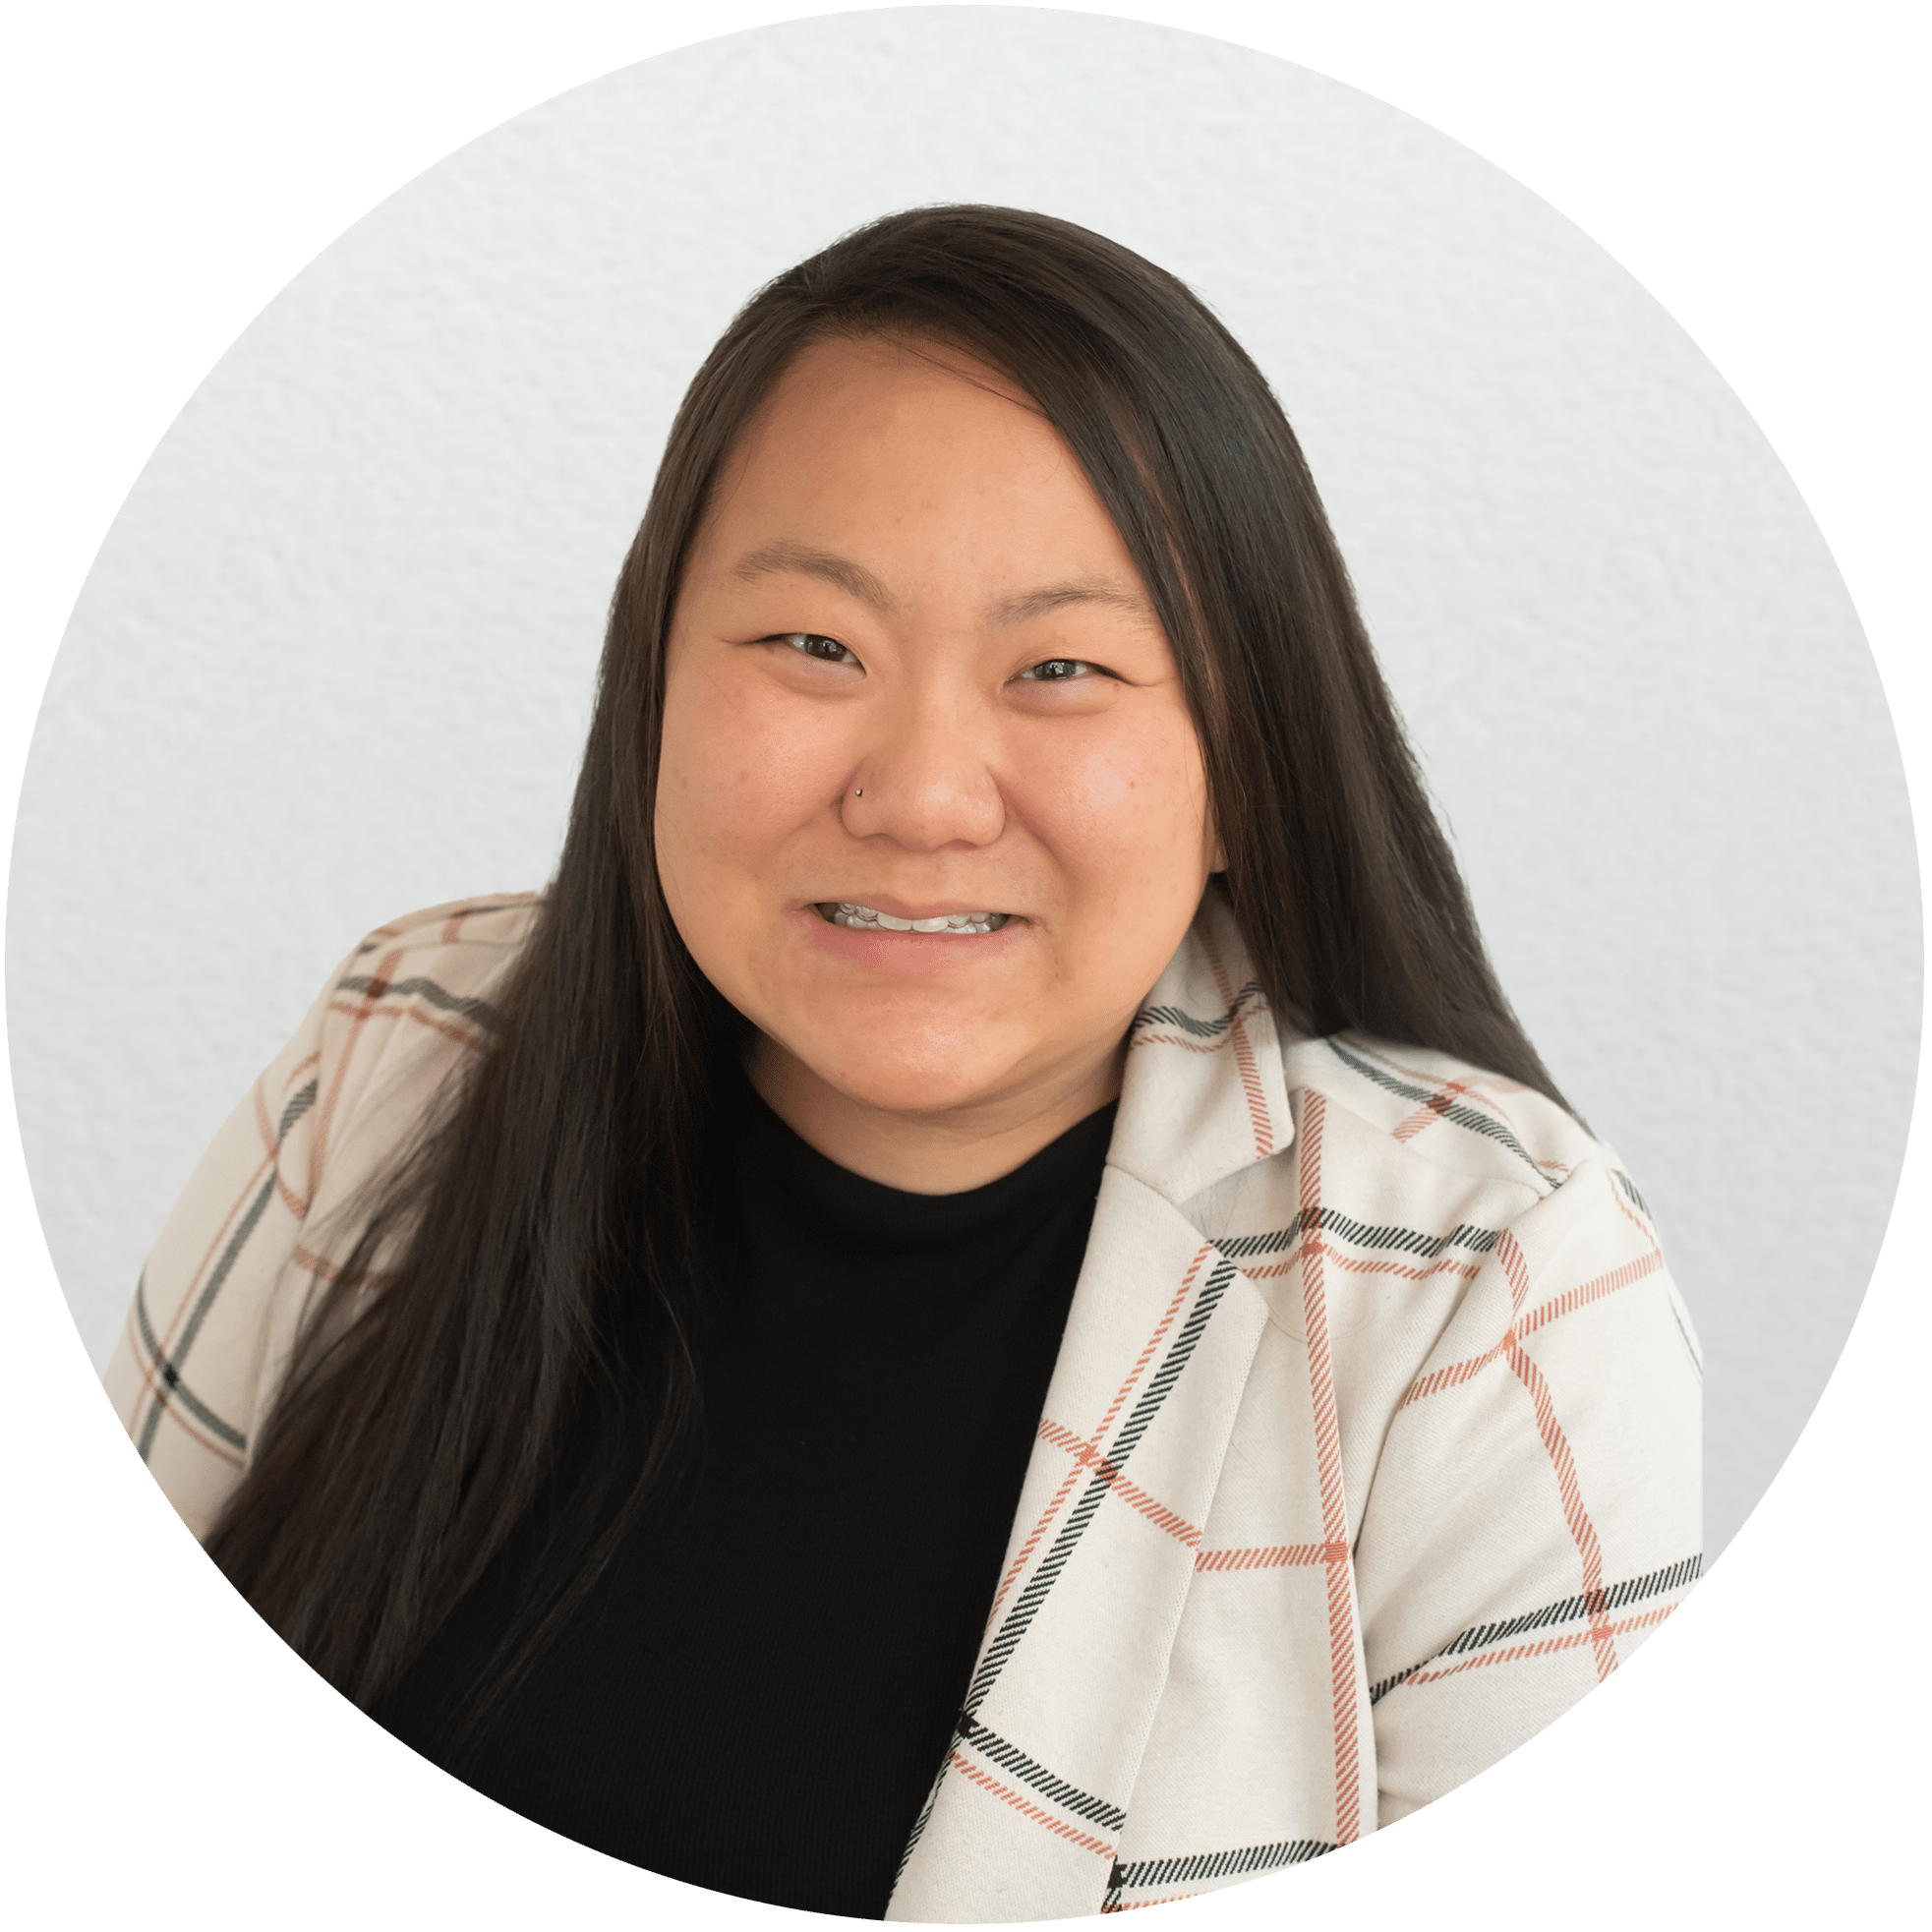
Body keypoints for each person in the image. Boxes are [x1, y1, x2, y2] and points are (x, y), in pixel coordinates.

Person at [106, 205, 1700, 1922]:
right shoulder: (399, 1050)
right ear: (651, 687)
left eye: (1062, 669)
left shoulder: (1487, 1286)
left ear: (1246, 761)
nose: (925, 796)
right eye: (815, 647)